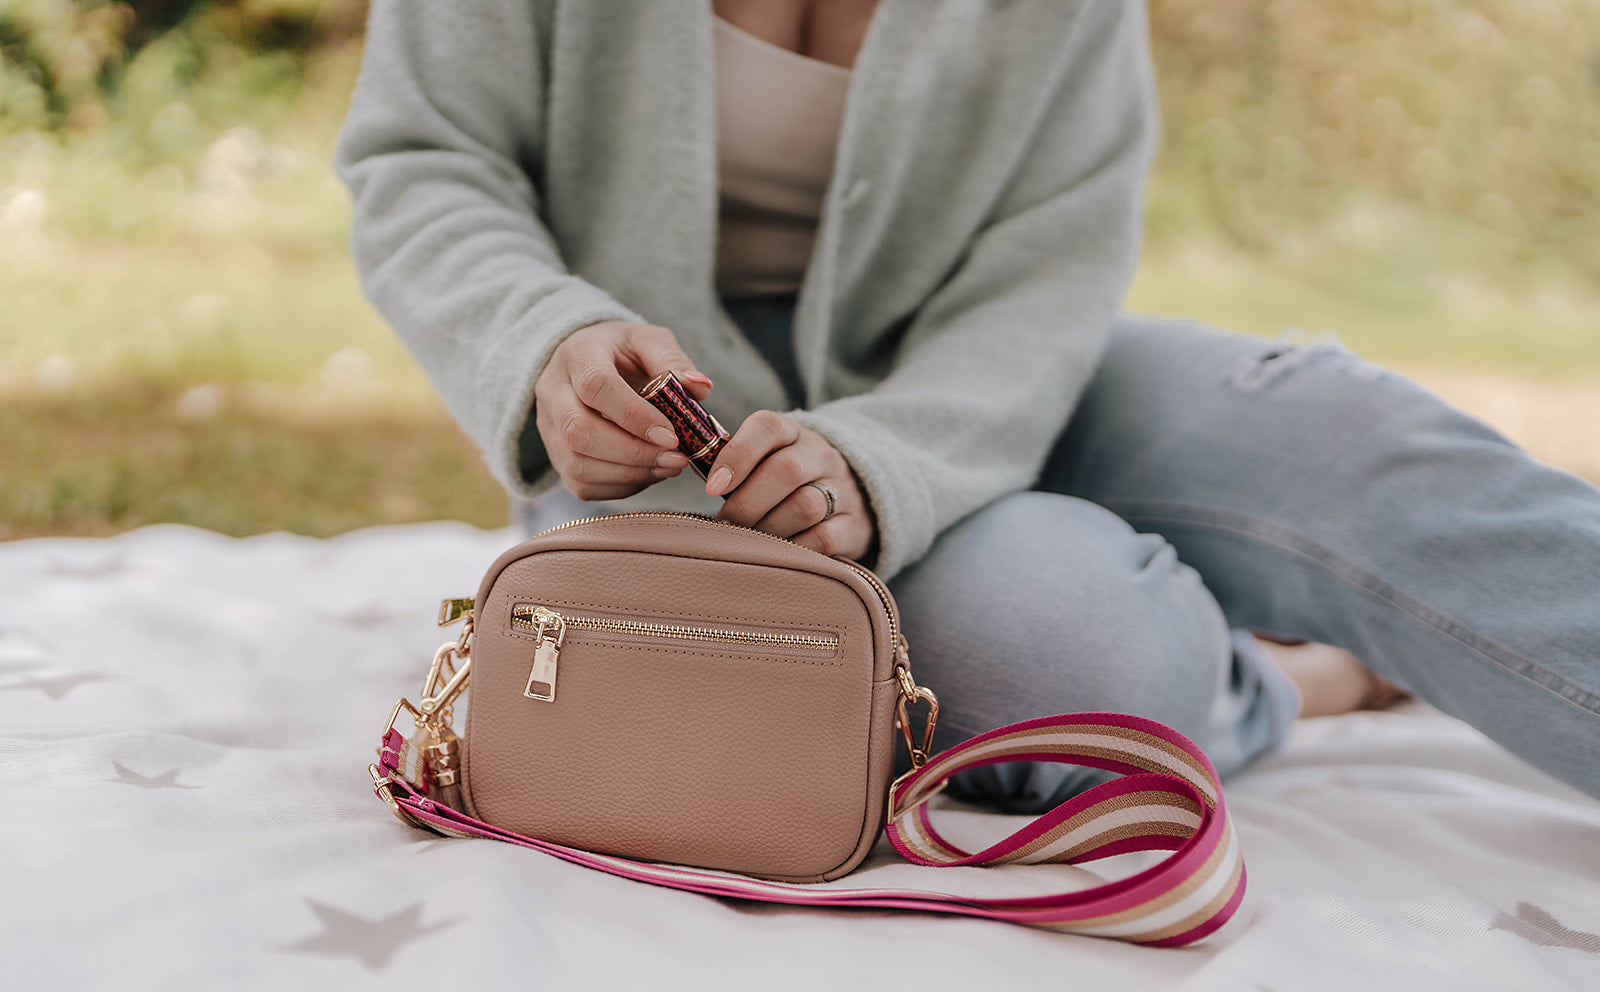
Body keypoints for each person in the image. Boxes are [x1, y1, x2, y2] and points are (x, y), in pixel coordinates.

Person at [336, 0, 1600, 812]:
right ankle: (1284, 685)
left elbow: (1043, 278)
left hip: (990, 367)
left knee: (1340, 435)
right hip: (658, 447)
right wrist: (545, 341)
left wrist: (884, 464)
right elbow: (423, 161)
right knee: (1071, 650)